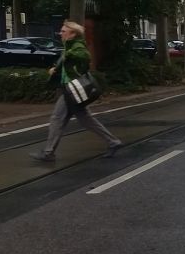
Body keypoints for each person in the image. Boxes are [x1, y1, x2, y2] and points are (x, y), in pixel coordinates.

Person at [29, 21, 122, 162]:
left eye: (64, 31)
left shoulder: (76, 45)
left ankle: (48, 152)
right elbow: (66, 64)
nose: (61, 33)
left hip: (73, 88)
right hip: (71, 88)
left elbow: (85, 56)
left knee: (57, 118)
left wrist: (69, 55)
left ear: (73, 33)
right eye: (61, 31)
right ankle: (113, 142)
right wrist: (56, 68)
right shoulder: (68, 46)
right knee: (84, 119)